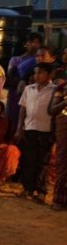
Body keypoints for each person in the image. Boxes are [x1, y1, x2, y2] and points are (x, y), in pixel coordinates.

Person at [16, 63, 56, 202]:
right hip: (29, 128)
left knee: (43, 162)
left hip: (45, 129)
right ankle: (28, 189)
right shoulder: (29, 88)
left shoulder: (54, 90)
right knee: (29, 160)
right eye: (36, 72)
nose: (37, 75)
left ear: (50, 75)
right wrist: (19, 128)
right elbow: (23, 109)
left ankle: (41, 191)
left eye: (41, 73)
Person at [50, 79, 67, 210]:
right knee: (63, 162)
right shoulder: (62, 87)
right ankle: (59, 200)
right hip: (64, 126)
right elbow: (52, 110)